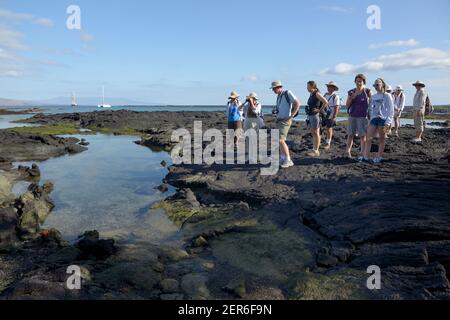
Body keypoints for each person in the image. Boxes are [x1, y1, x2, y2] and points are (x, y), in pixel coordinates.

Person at [362, 78, 394, 164]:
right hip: (374, 119)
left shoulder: (388, 95)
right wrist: (371, 118)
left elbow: (391, 110)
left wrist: (388, 122)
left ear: (382, 85)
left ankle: (379, 157)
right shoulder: (373, 96)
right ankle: (365, 156)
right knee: (368, 138)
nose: (376, 86)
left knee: (382, 139)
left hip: (384, 120)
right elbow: (371, 109)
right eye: (374, 85)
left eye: (377, 85)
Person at [271, 80, 301, 168]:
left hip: (285, 120)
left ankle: (288, 160)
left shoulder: (287, 93)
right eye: (273, 89)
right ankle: (283, 158)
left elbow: (297, 103)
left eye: (274, 88)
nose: (273, 90)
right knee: (278, 140)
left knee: (281, 140)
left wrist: (291, 115)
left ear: (279, 87)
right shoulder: (279, 96)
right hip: (279, 120)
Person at [345, 74, 372, 160]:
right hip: (352, 115)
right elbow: (347, 105)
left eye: (360, 81)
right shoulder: (351, 92)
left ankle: (362, 152)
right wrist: (351, 98)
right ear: (355, 82)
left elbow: (373, 103)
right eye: (357, 81)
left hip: (363, 116)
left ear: (364, 82)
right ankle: (347, 151)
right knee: (350, 134)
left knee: (362, 135)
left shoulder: (367, 91)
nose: (359, 83)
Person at [305, 81, 328, 157]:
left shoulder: (316, 93)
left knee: (316, 133)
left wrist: (319, 110)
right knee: (313, 132)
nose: (307, 88)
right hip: (311, 115)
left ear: (312, 86)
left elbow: (325, 102)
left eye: (308, 86)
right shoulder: (311, 94)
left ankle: (316, 151)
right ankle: (314, 149)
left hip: (315, 115)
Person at [323, 81, 341, 150]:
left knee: (329, 128)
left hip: (331, 114)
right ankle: (326, 141)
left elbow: (337, 107)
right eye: (328, 86)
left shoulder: (336, 96)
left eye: (330, 87)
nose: (328, 88)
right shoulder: (325, 95)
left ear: (334, 88)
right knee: (325, 128)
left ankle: (328, 143)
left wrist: (334, 117)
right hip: (325, 114)